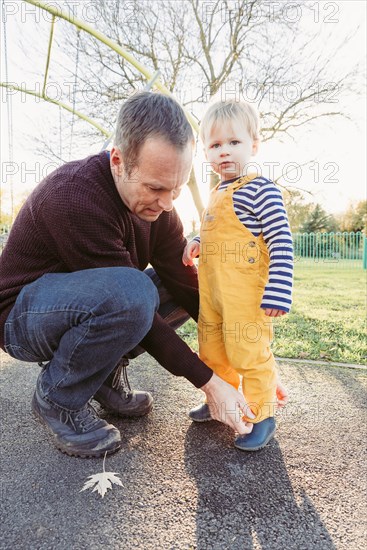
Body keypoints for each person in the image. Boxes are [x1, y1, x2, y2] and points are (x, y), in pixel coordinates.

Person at [0, 92, 260, 459]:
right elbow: (133, 307)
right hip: (21, 318)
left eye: (177, 188)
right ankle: (58, 397)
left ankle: (102, 377)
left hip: (88, 305)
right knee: (133, 293)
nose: (167, 203)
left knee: (178, 284)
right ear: (119, 161)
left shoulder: (162, 210)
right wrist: (211, 383)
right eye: (155, 187)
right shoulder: (74, 196)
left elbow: (188, 288)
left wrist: (248, 352)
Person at [182, 99, 293, 451]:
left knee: (248, 354)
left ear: (254, 145)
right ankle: (223, 399)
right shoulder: (215, 193)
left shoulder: (262, 189)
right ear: (205, 152)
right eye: (215, 145)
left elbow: (280, 239)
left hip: (246, 297)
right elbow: (219, 231)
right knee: (212, 350)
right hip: (213, 294)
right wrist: (198, 239)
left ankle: (263, 415)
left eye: (234, 143)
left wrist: (279, 287)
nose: (224, 152)